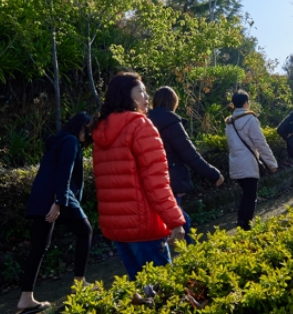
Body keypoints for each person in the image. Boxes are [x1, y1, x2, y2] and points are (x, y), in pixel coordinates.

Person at [90, 72, 188, 280]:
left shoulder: (101, 130)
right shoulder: (140, 126)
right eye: (141, 92)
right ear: (126, 96)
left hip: (118, 228)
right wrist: (175, 221)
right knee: (163, 295)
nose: (146, 97)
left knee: (142, 295)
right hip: (145, 226)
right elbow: (156, 182)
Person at [14, 111, 95, 314]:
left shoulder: (58, 142)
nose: (90, 134)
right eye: (88, 129)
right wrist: (59, 202)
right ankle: (79, 283)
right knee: (85, 231)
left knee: (39, 247)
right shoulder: (70, 142)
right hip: (58, 197)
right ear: (81, 127)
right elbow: (64, 172)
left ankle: (26, 298)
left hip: (42, 199)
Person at [147, 87, 224, 243]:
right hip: (171, 180)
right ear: (173, 103)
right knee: (181, 221)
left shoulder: (144, 121)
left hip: (150, 181)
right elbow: (190, 155)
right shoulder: (171, 123)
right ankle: (194, 259)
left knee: (163, 221)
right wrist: (214, 174)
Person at [225, 89, 279, 229]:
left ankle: (241, 221)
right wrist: (272, 163)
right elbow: (260, 143)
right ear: (246, 103)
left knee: (247, 193)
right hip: (248, 163)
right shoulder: (250, 119)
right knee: (250, 195)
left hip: (235, 163)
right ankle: (245, 226)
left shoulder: (229, 122)